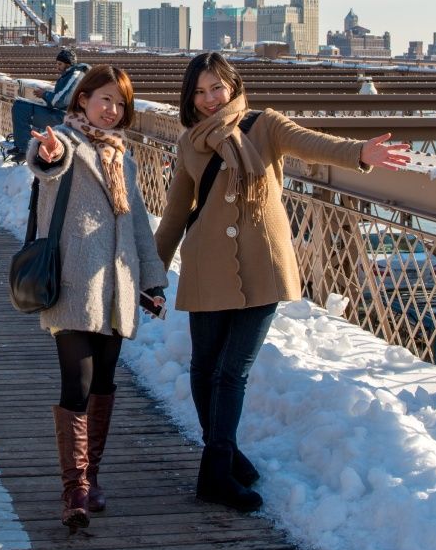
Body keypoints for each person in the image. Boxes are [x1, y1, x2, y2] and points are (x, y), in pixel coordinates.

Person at [154, 52, 410, 513]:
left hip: (262, 268)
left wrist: (359, 153)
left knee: (233, 371)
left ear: (233, 86)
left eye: (218, 88)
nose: (211, 99)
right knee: (204, 367)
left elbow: (312, 144)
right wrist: (153, 272)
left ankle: (215, 472)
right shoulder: (191, 142)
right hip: (207, 264)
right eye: (200, 91)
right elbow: (175, 213)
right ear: (189, 98)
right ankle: (225, 453)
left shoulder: (265, 126)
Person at [26, 65, 168, 529]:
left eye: (121, 103)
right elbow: (48, 161)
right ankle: (75, 490)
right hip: (74, 284)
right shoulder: (67, 142)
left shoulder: (122, 158)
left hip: (119, 285)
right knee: (79, 381)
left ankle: (92, 475)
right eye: (104, 99)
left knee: (105, 380)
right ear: (82, 100)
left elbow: (138, 224)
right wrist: (45, 150)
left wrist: (152, 280)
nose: (112, 110)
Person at [10, 48, 86, 160]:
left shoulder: (75, 75)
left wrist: (45, 94)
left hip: (64, 118)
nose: (57, 67)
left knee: (20, 108)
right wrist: (45, 95)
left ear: (68, 64)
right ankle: (21, 145)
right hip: (61, 114)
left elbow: (60, 101)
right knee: (20, 105)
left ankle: (25, 148)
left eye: (60, 64)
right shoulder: (70, 74)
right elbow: (62, 97)